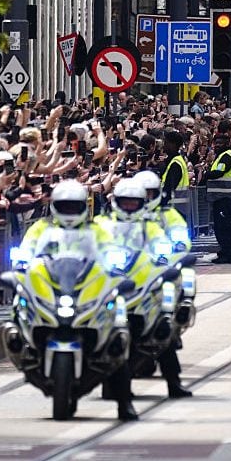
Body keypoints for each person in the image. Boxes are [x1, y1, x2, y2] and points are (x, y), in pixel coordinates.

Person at [19, 180, 138, 421]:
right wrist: (20, 267)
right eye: (65, 207)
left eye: (75, 207)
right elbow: (26, 253)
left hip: (84, 292)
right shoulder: (40, 229)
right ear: (55, 206)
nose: (70, 212)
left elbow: (111, 255)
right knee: (18, 305)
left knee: (118, 334)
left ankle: (125, 403)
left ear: (84, 206)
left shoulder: (96, 230)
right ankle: (23, 346)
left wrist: (116, 270)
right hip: (53, 292)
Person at [96, 179, 192, 402]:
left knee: (163, 330)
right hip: (112, 285)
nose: (129, 207)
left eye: (134, 203)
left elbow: (165, 248)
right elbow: (90, 246)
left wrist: (166, 257)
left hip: (144, 289)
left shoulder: (151, 226)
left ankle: (174, 382)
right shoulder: (102, 224)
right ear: (116, 202)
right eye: (125, 203)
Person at [206, 134, 231, 264]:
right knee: (220, 227)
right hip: (219, 198)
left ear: (226, 144)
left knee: (223, 227)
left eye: (220, 143)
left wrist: (205, 174)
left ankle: (228, 254)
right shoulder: (220, 156)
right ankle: (224, 252)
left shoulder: (226, 156)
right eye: (216, 143)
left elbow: (219, 172)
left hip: (225, 198)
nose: (218, 145)